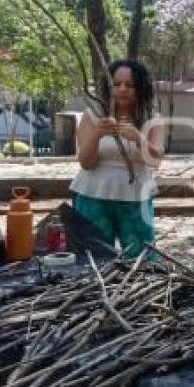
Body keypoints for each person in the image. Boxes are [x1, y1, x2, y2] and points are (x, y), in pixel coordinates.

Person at [71, 60, 164, 260]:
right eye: (117, 84)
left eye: (129, 85)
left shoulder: (152, 119)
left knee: (142, 260)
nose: (122, 89)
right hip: (92, 195)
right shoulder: (92, 116)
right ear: (109, 86)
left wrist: (139, 138)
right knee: (91, 260)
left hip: (136, 198)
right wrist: (96, 134)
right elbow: (86, 163)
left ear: (141, 88)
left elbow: (155, 161)